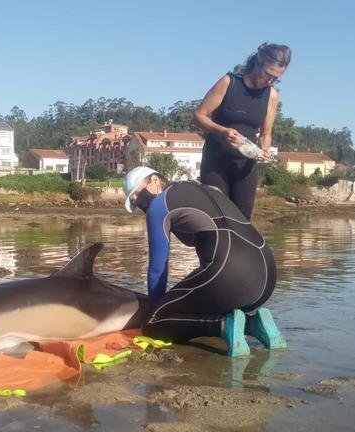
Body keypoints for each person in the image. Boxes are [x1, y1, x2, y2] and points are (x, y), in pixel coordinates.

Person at [122, 166, 286, 357]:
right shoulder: (204, 190)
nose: (137, 201)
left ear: (155, 180)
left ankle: (223, 327)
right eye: (133, 201)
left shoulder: (159, 205)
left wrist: (156, 309)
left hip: (231, 273)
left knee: (153, 323)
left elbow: (158, 268)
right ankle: (254, 324)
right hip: (266, 276)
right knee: (196, 302)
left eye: (136, 193)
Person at [194, 43, 291, 219]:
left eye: (276, 78)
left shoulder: (272, 95)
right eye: (267, 74)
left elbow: (265, 133)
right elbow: (199, 115)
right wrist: (224, 132)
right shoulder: (229, 82)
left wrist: (265, 149)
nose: (270, 81)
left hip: (245, 167)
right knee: (215, 218)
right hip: (215, 162)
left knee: (242, 221)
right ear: (257, 63)